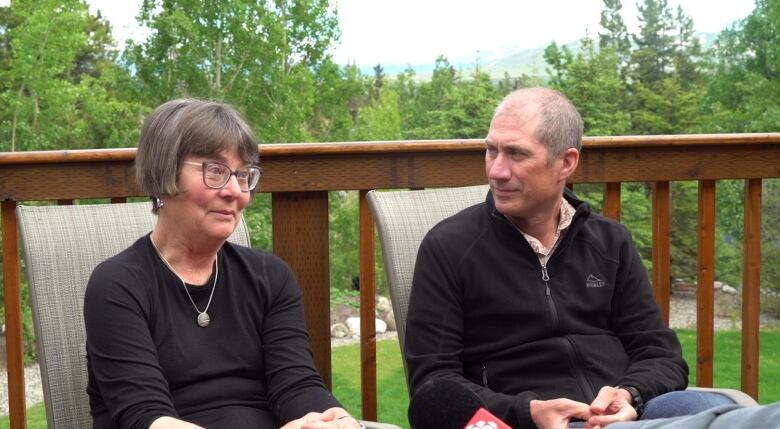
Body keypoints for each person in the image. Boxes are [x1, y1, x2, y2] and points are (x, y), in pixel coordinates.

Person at [404, 87, 734, 429]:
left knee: (708, 407)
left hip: (631, 413)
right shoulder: (449, 247)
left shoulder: (610, 241)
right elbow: (433, 383)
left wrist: (630, 394)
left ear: (566, 162)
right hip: (539, 422)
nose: (497, 171)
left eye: (516, 154)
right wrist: (528, 411)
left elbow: (660, 354)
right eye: (491, 150)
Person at [84, 99, 363, 429]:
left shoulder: (269, 277)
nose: (236, 192)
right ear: (163, 174)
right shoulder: (118, 286)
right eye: (215, 171)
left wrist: (338, 421)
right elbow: (144, 416)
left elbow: (297, 385)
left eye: (243, 175)